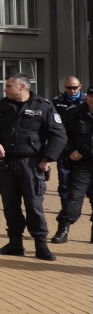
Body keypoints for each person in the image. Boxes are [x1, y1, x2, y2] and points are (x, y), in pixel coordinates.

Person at [0, 74, 66, 260]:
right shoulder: (1, 106)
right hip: (7, 164)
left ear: (22, 87)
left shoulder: (43, 106)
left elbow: (59, 136)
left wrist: (46, 159)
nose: (5, 89)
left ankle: (41, 245)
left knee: (34, 205)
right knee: (10, 205)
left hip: (32, 164)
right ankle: (15, 244)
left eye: (9, 86)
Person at [52, 78, 91, 243]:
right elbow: (62, 136)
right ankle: (63, 229)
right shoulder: (73, 113)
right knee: (74, 197)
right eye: (91, 95)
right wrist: (70, 151)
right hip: (81, 163)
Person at [52, 76, 87, 201]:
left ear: (80, 86)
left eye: (75, 87)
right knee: (64, 178)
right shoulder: (56, 103)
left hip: (85, 145)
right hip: (65, 146)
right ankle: (66, 207)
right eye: (69, 88)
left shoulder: (88, 100)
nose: (72, 90)